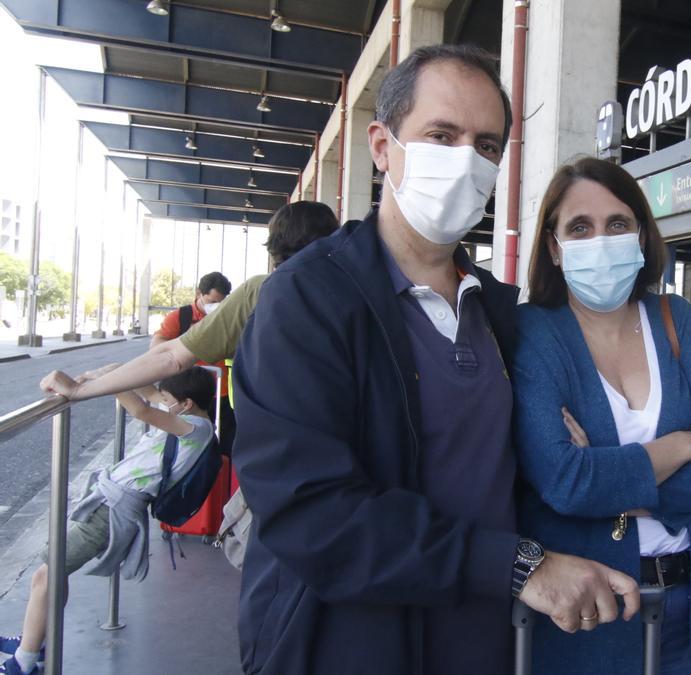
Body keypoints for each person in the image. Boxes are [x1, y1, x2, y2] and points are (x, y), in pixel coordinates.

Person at [230, 45, 640, 675]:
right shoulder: (307, 301)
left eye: (486, 146)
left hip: (484, 638)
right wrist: (516, 565)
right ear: (382, 145)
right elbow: (314, 514)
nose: (464, 161)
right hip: (345, 644)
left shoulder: (497, 313)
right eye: (440, 135)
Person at [512, 157, 691, 674]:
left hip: (690, 600)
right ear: (555, 248)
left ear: (641, 237)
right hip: (591, 613)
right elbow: (565, 481)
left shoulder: (677, 319)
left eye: (617, 224)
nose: (600, 239)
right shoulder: (535, 332)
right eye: (580, 227)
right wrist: (683, 446)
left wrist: (613, 484)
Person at [1, 367, 216, 675]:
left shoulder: (195, 429)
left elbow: (141, 408)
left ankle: (25, 662)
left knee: (46, 575)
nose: (162, 401)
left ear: (186, 403)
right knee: (52, 572)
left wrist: (98, 385)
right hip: (109, 502)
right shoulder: (187, 415)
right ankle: (34, 641)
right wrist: (110, 373)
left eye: (168, 399)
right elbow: (151, 393)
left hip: (113, 510)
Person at [37, 202, 339, 405]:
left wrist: (80, 389)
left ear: (276, 243)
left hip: (284, 448)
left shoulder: (262, 291)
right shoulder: (360, 290)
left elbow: (170, 358)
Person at [153, 271, 233, 453]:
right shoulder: (180, 317)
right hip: (187, 396)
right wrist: (188, 339)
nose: (217, 306)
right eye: (212, 302)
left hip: (220, 393)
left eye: (221, 302)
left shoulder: (227, 318)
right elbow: (156, 346)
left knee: (223, 446)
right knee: (187, 447)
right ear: (199, 294)